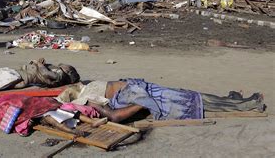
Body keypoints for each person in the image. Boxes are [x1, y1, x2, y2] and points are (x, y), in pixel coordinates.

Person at [83, 79, 265, 123]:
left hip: (153, 92)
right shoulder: (87, 100)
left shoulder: (83, 89)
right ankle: (249, 105)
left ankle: (235, 100)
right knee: (204, 102)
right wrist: (143, 102)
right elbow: (114, 116)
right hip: (154, 98)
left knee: (200, 97)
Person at [0, 58, 80, 92]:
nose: (63, 65)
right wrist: (39, 63)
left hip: (19, 77)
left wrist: (39, 63)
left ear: (69, 71)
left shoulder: (60, 75)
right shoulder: (58, 70)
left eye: (66, 66)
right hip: (18, 73)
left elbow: (45, 73)